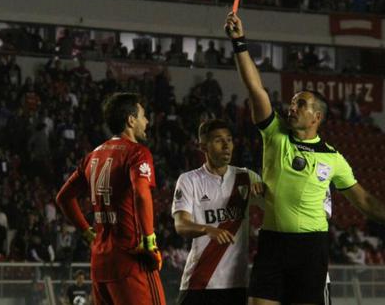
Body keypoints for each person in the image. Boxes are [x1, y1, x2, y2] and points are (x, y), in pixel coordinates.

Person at [224, 12, 385, 305]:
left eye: (301, 104)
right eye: (292, 102)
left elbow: (365, 201)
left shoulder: (333, 158)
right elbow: (255, 88)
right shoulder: (275, 133)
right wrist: (239, 43)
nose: (292, 108)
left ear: (316, 117)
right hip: (272, 242)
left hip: (311, 247)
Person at [56, 92, 166, 305]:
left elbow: (63, 198)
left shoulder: (93, 155)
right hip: (131, 260)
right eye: (143, 116)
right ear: (130, 120)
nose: (147, 121)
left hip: (101, 264)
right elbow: (142, 194)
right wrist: (149, 242)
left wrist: (88, 233)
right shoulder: (137, 152)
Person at [172, 119, 263, 305]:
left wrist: (266, 191)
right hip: (199, 281)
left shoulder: (247, 177)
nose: (226, 146)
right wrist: (208, 230)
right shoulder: (189, 180)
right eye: (218, 140)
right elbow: (181, 224)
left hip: (236, 283)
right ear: (203, 146)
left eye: (229, 140)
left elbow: (276, 208)